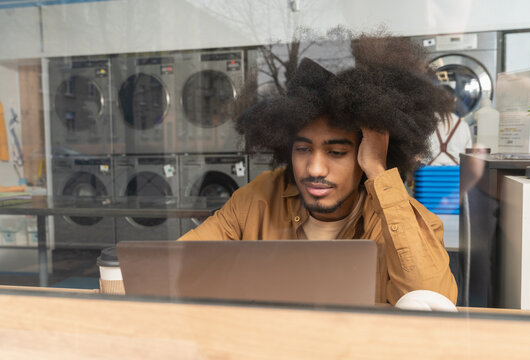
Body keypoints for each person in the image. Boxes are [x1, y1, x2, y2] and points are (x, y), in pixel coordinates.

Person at [179, 37, 458, 305]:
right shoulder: (259, 198)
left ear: (363, 155)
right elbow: (179, 263)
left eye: (336, 153)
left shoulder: (395, 213)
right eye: (302, 150)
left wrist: (377, 169)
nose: (314, 168)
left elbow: (433, 302)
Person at [428, 85, 473, 165]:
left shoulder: (427, 122)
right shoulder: (463, 125)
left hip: (428, 174)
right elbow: (468, 155)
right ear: (455, 99)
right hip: (455, 174)